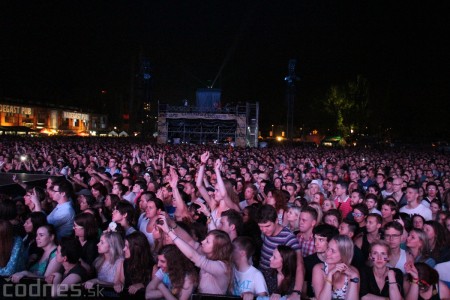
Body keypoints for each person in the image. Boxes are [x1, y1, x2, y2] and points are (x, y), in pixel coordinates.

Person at [157, 214, 231, 295]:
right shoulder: (207, 255)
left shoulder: (221, 267)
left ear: (217, 248)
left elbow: (192, 256)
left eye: (207, 241)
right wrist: (171, 223)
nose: (202, 241)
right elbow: (190, 241)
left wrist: (169, 232)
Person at [256, 204, 304, 299]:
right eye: (261, 227)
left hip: (277, 282)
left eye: (267, 226)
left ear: (277, 220)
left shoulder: (289, 238)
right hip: (261, 277)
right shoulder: (265, 232)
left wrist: (296, 291)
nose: (264, 230)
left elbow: (300, 265)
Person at [312, 235, 360, 300]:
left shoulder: (353, 272)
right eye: (328, 248)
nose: (327, 253)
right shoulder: (319, 269)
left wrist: (354, 276)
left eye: (333, 251)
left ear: (344, 254)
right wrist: (330, 275)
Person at [115, 231, 154, 298]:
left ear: (137, 248)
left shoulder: (152, 267)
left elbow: (155, 288)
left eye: (127, 246)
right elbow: (120, 281)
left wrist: (142, 285)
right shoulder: (124, 263)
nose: (124, 249)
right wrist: (118, 284)